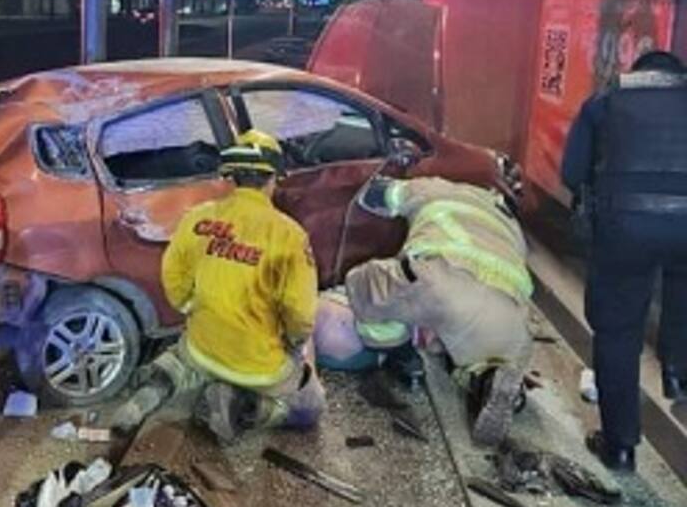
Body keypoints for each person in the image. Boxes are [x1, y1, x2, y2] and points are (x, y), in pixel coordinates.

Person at [112, 130, 325, 444]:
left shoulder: (198, 218)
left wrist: (189, 307)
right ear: (272, 179)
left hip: (202, 347)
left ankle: (152, 390)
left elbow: (173, 275)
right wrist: (294, 343)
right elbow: (301, 314)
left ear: (232, 177)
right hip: (259, 366)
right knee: (311, 406)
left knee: (183, 357)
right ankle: (247, 407)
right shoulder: (290, 236)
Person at [562, 49, 687, 472]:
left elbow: (572, 171)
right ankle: (677, 373)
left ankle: (620, 447)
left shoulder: (606, 101)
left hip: (624, 228)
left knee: (617, 332)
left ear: (639, 74)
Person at [345, 176, 533, 447]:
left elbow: (372, 195)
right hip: (512, 318)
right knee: (477, 354)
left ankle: (401, 356)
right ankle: (489, 379)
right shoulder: (505, 218)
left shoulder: (431, 188)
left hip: (444, 281)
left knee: (365, 284)